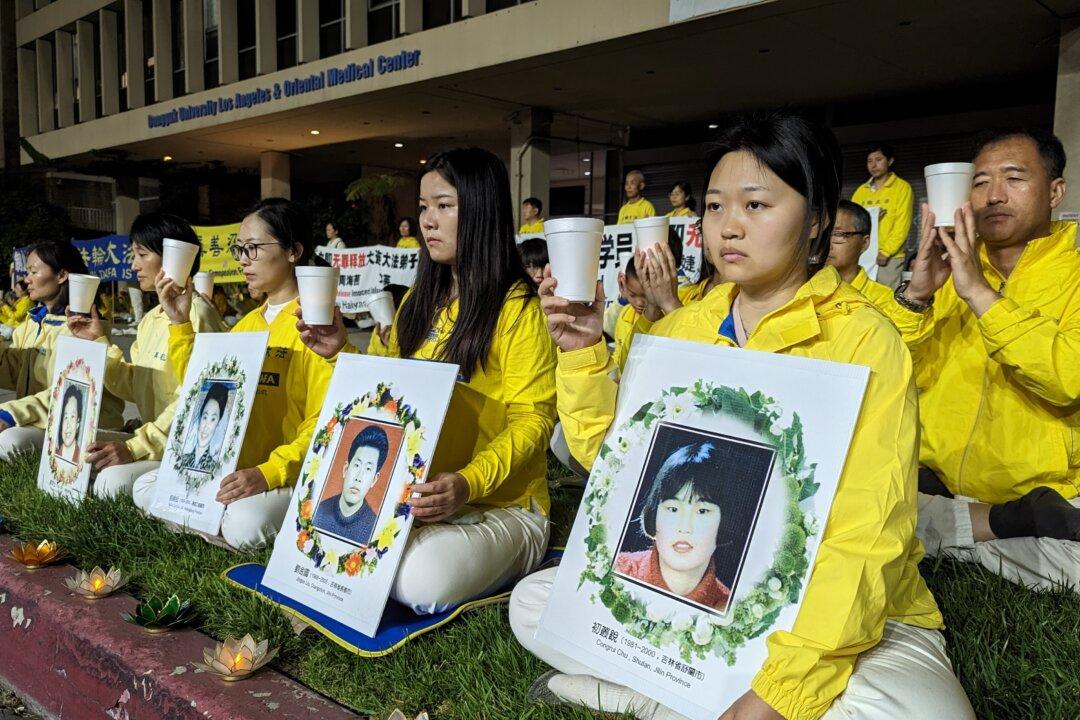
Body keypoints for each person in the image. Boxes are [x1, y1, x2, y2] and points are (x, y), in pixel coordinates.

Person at [512, 111, 974, 720]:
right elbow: (617, 472)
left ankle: (648, 698)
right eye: (714, 206)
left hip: (836, 610)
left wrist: (784, 689)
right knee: (534, 602)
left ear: (813, 221)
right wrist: (582, 356)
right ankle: (679, 694)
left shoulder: (865, 340)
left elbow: (868, 537)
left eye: (755, 206)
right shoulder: (682, 329)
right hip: (696, 594)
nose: (728, 226)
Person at [298, 147, 557, 614]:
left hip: (504, 505)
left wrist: (467, 483)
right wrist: (340, 351)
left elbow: (533, 421)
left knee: (419, 578)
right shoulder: (419, 299)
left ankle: (507, 556)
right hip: (418, 494)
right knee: (321, 538)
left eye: (443, 205)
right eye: (422, 207)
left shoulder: (518, 308)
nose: (427, 221)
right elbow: (383, 393)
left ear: (480, 210)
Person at [886, 128, 1080, 592]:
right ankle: (994, 527)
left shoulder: (1072, 275)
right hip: (936, 480)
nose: (994, 196)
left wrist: (979, 294)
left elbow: (1068, 380)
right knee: (850, 505)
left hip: (1049, 489)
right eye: (980, 182)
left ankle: (953, 532)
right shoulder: (948, 268)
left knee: (888, 528)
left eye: (1014, 179)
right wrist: (916, 297)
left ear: (1055, 192)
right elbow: (895, 377)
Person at [133, 198, 335, 551]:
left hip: (288, 473)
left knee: (245, 524)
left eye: (254, 248)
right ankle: (210, 522)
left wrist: (268, 474)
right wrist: (181, 321)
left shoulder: (317, 328)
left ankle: (211, 524)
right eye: (239, 248)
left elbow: (323, 424)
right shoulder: (246, 325)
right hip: (238, 470)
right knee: (146, 487)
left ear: (294, 251)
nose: (242, 258)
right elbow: (202, 390)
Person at [65, 212, 227, 498]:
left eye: (141, 254)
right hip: (153, 439)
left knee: (109, 483)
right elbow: (133, 384)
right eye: (133, 254)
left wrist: (135, 446)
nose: (133, 264)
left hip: (184, 445)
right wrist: (98, 342)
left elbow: (194, 402)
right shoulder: (151, 318)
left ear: (174, 258)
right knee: (72, 446)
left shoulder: (198, 315)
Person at [0, 243, 125, 458]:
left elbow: (70, 392)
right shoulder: (33, 324)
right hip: (39, 418)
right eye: (27, 272)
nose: (26, 279)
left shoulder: (83, 328)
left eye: (33, 272)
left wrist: (11, 414)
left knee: (10, 441)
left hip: (81, 424)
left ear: (62, 275)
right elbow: (10, 370)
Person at [615, 442, 729, 612]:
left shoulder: (730, 608)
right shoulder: (616, 569)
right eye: (673, 509)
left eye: (702, 511)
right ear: (654, 514)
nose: (684, 527)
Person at [313, 424, 389, 545]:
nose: (359, 478)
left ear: (374, 480)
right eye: (357, 465)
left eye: (368, 469)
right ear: (345, 469)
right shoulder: (318, 511)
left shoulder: (375, 531)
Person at [851, 144, 913, 289]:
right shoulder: (861, 191)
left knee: (885, 300)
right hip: (863, 255)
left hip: (888, 258)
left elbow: (902, 224)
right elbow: (852, 221)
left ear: (890, 161)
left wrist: (886, 252)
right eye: (869, 161)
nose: (873, 165)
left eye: (878, 159)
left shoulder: (902, 188)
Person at [826, 200, 894, 311]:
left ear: (864, 243)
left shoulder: (882, 299)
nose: (825, 244)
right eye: (822, 235)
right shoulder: (803, 289)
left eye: (838, 234)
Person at [178, 382, 230, 473]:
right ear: (200, 418)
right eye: (205, 417)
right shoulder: (181, 460)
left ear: (217, 425)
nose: (206, 426)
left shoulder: (215, 469)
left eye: (213, 419)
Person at [54, 383, 83, 465]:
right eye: (65, 417)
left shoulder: (82, 460)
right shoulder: (53, 454)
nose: (68, 425)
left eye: (72, 417)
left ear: (78, 423)